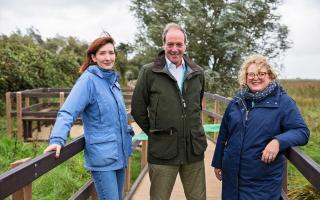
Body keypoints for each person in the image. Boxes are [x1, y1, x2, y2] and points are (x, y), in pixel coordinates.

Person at [44, 35, 133, 200]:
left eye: (111, 53)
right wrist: (57, 139)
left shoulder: (114, 83)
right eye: (102, 53)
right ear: (93, 57)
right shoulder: (88, 81)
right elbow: (67, 112)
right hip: (102, 159)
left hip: (120, 156)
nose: (108, 58)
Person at [211, 54, 310, 199]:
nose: (255, 78)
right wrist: (218, 162)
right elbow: (224, 133)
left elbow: (302, 132)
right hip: (232, 178)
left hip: (261, 183)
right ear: (245, 77)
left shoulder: (283, 102)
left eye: (261, 73)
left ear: (270, 76)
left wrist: (278, 141)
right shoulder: (237, 101)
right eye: (251, 74)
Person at [131, 22, 207, 200]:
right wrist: (155, 130)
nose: (174, 49)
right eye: (170, 44)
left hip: (193, 150)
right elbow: (138, 109)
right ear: (163, 44)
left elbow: (197, 106)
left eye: (179, 44)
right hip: (163, 151)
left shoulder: (198, 73)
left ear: (185, 45)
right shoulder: (149, 72)